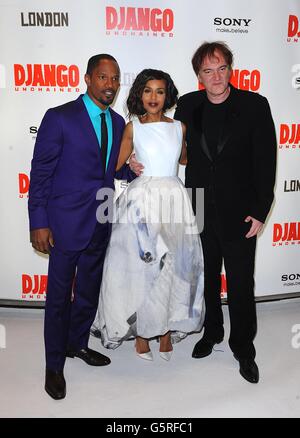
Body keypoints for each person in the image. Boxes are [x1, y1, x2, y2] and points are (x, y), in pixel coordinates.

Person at [28, 54, 135, 400]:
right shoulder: (59, 118)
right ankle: (54, 365)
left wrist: (132, 170)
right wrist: (39, 222)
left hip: (101, 222)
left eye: (115, 78)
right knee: (58, 298)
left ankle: (77, 344)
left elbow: (110, 171)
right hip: (63, 224)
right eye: (103, 77)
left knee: (88, 292)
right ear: (87, 78)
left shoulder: (118, 123)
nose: (110, 84)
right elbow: (41, 175)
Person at [173, 41, 277, 383]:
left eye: (221, 68)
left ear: (231, 69)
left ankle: (243, 348)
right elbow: (173, 149)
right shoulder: (187, 105)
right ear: (198, 76)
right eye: (208, 71)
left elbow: (266, 162)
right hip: (200, 206)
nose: (216, 77)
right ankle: (212, 332)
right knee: (207, 279)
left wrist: (261, 210)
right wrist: (135, 157)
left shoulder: (254, 105)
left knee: (240, 283)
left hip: (241, 211)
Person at [92, 69, 205, 360]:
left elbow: (183, 158)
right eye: (147, 91)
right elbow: (114, 166)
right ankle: (142, 333)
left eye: (159, 91)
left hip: (174, 200)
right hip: (141, 202)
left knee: (173, 267)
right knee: (140, 269)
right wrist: (130, 162)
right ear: (139, 95)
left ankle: (165, 330)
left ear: (167, 96)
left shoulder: (179, 127)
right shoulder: (132, 127)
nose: (153, 97)